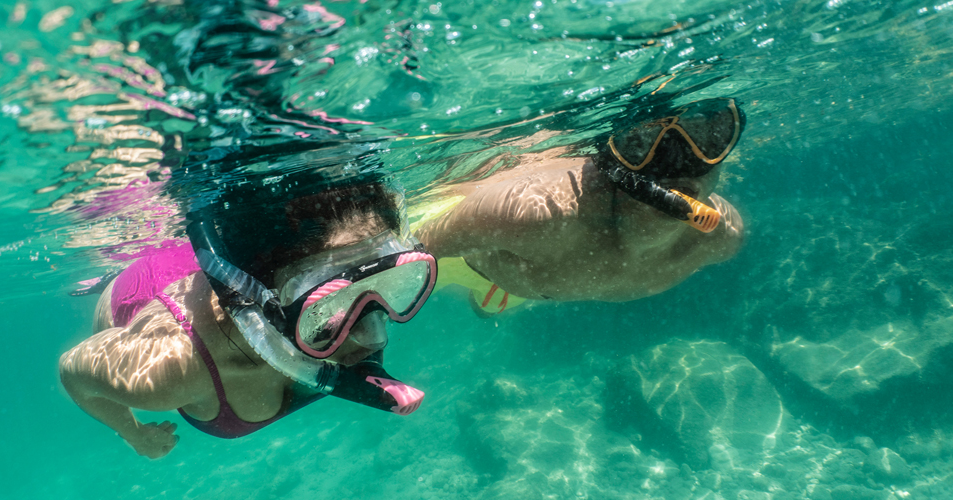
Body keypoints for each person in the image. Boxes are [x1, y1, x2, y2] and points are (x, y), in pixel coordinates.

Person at [59, 176, 437, 458]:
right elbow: (72, 371)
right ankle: (114, 270)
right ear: (265, 303)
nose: (375, 338)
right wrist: (133, 433)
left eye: (392, 282)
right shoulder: (175, 367)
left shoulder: (342, 280)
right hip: (139, 288)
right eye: (332, 301)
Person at [413, 98, 745, 314]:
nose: (676, 164)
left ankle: (489, 303)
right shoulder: (533, 214)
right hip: (462, 259)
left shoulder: (723, 237)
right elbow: (417, 248)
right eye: (640, 143)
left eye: (708, 138)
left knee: (490, 310)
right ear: (613, 157)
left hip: (527, 284)